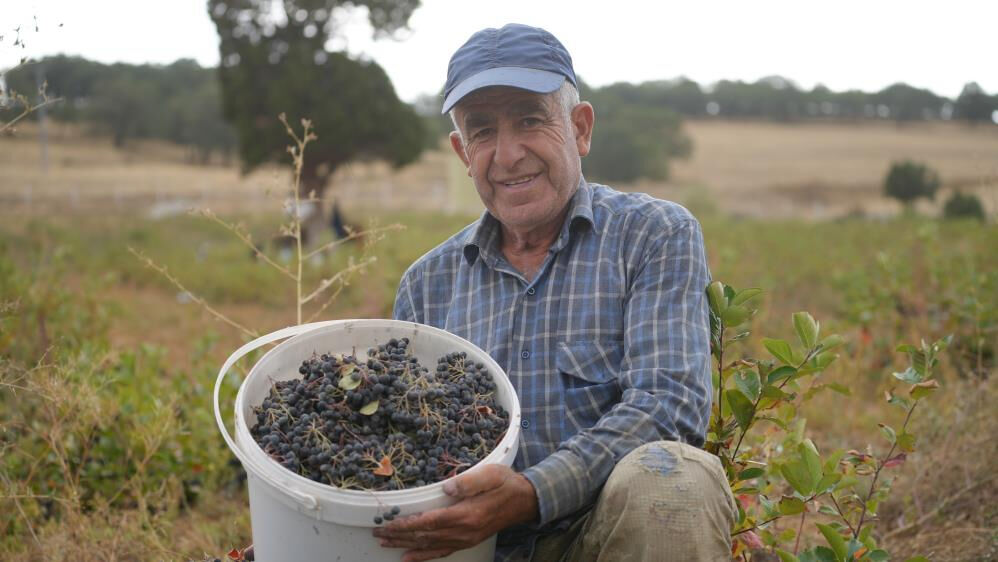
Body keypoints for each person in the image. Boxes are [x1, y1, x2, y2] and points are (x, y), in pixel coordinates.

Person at [374, 23, 736, 562]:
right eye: (482, 131)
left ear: (580, 128)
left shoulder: (653, 236)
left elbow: (668, 404)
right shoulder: (427, 285)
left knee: (674, 477)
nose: (508, 155)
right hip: (471, 549)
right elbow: (400, 439)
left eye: (529, 120)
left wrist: (532, 493)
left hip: (599, 537)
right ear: (462, 153)